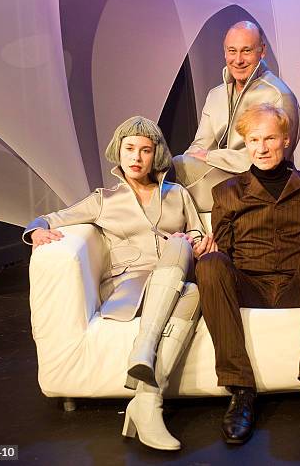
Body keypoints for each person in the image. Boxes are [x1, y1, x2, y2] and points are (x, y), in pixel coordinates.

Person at [23, 116, 217, 451]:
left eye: (145, 150)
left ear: (155, 155)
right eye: (129, 149)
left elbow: (198, 232)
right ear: (119, 151)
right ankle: (145, 349)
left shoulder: (177, 194)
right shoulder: (104, 199)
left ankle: (147, 402)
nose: (136, 157)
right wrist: (37, 231)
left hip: (173, 280)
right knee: (182, 255)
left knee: (189, 271)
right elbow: (49, 218)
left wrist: (198, 243)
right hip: (129, 288)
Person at [195, 103, 300, 444]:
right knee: (212, 263)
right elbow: (226, 252)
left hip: (297, 283)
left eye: (270, 138)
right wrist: (204, 253)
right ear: (246, 144)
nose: (261, 147)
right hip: (251, 285)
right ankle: (241, 391)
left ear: (286, 140)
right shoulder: (227, 193)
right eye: (253, 140)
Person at [172, 20, 300, 212]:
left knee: (176, 175)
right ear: (225, 53)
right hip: (219, 174)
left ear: (262, 50)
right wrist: (201, 158)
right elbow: (199, 146)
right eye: (232, 51)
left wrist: (210, 157)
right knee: (171, 168)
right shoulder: (215, 95)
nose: (238, 60)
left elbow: (273, 157)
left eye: (246, 51)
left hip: (261, 181)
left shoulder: (278, 95)